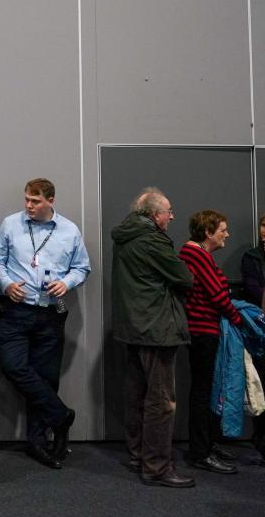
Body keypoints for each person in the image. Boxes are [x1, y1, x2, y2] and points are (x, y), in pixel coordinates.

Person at [0, 178, 90, 468]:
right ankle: (61, 415)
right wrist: (6, 284)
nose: (29, 206)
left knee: (46, 378)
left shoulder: (69, 230)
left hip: (51, 312)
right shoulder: (11, 224)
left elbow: (83, 267)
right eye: (26, 200)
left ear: (51, 201)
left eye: (35, 201)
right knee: (13, 366)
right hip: (15, 310)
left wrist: (67, 283)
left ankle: (39, 441)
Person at [111, 187, 195, 488]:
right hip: (157, 328)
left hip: (132, 327)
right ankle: (157, 466)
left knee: (136, 395)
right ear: (155, 214)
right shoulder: (152, 240)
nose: (172, 216)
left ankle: (138, 456)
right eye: (168, 211)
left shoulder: (126, 236)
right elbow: (185, 278)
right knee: (161, 401)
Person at [178, 210, 242, 474]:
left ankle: (206, 444)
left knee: (207, 389)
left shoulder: (197, 254)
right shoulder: (196, 254)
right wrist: (239, 319)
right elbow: (217, 294)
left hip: (204, 329)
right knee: (203, 391)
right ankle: (200, 452)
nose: (226, 234)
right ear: (208, 232)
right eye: (222, 229)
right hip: (202, 330)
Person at [241, 214, 265, 465]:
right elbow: (252, 287)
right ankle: (261, 438)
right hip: (260, 326)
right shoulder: (252, 257)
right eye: (262, 227)